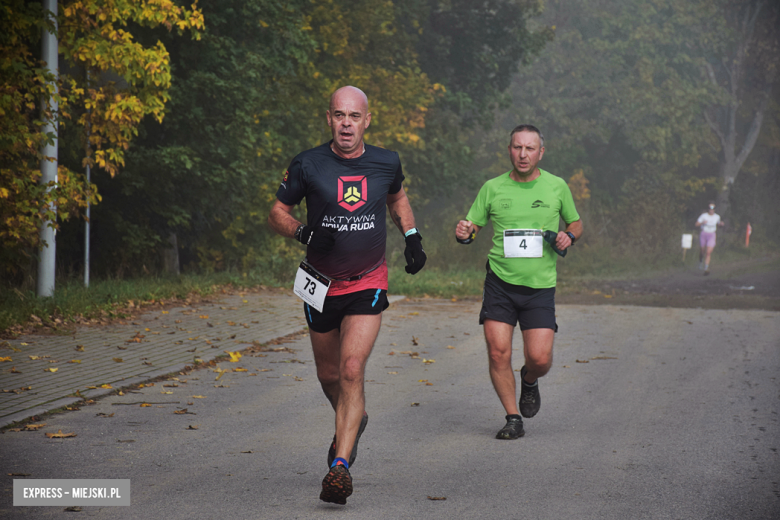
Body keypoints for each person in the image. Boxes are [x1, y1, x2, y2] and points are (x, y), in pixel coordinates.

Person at [268, 86, 426, 504]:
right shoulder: (307, 163)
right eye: (339, 115)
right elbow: (277, 213)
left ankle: (340, 465)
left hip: (367, 280)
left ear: (367, 120)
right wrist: (304, 232)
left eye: (354, 116)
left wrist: (411, 237)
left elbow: (397, 196)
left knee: (352, 367)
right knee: (330, 377)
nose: (346, 124)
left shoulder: (386, 161)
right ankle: (356, 417)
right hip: (319, 284)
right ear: (329, 119)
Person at [455, 124, 582, 440]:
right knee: (498, 352)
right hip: (500, 283)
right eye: (517, 147)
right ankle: (513, 417)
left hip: (539, 287)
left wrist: (569, 236)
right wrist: (465, 232)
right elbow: (474, 226)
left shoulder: (556, 187)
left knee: (539, 359)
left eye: (529, 148)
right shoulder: (493, 187)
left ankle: (529, 379)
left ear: (541, 152)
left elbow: (576, 223)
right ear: (509, 149)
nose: (522, 154)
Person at [695, 202, 724, 275]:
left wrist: (721, 224)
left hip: (712, 234)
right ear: (708, 209)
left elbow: (719, 224)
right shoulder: (703, 216)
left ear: (714, 209)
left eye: (713, 209)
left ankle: (706, 267)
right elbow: (696, 224)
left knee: (708, 252)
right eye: (710, 208)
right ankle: (701, 261)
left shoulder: (717, 217)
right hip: (704, 234)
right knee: (702, 250)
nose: (711, 210)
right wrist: (702, 223)